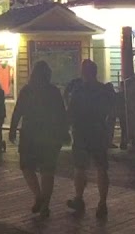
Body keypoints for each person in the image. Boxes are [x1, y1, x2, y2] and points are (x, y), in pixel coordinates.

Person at [10, 61, 69, 219]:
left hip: (30, 134)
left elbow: (18, 111)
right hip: (50, 135)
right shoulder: (53, 91)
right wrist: (64, 132)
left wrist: (13, 129)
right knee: (47, 171)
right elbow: (61, 113)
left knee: (26, 166)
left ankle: (38, 195)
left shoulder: (27, 91)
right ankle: (45, 204)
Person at [65, 60, 114, 219]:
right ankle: (102, 203)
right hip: (98, 131)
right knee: (101, 168)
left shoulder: (78, 90)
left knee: (80, 168)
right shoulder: (103, 90)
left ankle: (79, 198)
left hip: (82, 132)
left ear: (84, 72)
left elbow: (71, 111)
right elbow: (111, 110)